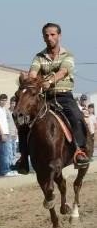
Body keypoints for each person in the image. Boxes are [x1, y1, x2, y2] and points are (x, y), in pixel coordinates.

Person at [14, 23, 89, 174]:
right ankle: (23, 157)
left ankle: (79, 152)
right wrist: (30, 81)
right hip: (44, 97)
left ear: (59, 36)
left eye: (53, 35)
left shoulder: (67, 55)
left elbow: (63, 71)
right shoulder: (39, 57)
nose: (49, 38)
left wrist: (49, 81)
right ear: (43, 37)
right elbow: (33, 73)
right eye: (46, 35)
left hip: (64, 95)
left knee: (76, 117)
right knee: (23, 120)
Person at [0, 94, 16, 177]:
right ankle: (5, 170)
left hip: (6, 133)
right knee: (4, 153)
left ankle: (5, 170)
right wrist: (1, 133)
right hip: (2, 133)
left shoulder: (3, 109)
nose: (3, 102)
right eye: (2, 100)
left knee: (6, 153)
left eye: (5, 100)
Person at [7, 96, 18, 168]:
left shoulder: (16, 112)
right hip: (8, 134)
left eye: (14, 103)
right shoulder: (6, 112)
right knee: (9, 151)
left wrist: (16, 132)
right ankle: (10, 166)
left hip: (14, 134)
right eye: (12, 103)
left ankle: (13, 166)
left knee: (14, 151)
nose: (13, 105)